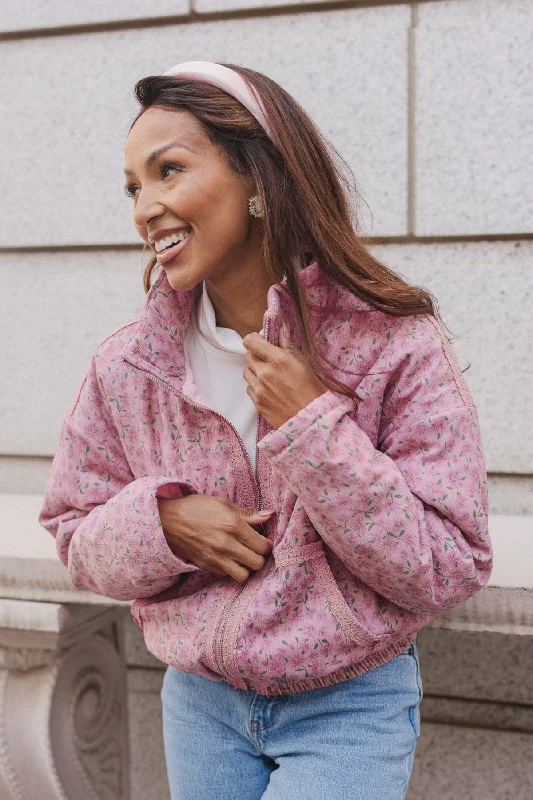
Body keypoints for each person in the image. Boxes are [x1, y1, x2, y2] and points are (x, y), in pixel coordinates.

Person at [39, 61, 492, 800]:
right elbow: (73, 534)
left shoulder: (391, 343)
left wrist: (315, 426)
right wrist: (163, 523)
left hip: (349, 702)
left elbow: (447, 563)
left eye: (169, 171)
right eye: (132, 185)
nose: (145, 207)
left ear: (257, 177)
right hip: (200, 704)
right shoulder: (130, 365)